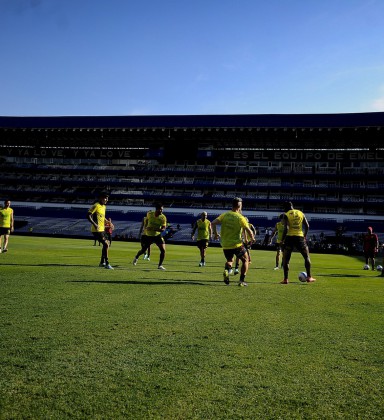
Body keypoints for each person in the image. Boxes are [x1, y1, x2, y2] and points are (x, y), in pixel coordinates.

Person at [211, 197, 255, 286]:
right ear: (240, 206)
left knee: (230, 260)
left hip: (225, 244)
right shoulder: (240, 217)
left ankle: (227, 270)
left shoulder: (225, 215)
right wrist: (253, 238)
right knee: (246, 260)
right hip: (237, 244)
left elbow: (213, 223)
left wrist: (215, 234)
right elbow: (248, 230)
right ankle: (241, 281)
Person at [280, 201, 315, 284]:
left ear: (285, 208)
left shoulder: (286, 215)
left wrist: (282, 240)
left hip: (289, 238)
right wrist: (304, 236)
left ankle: (285, 279)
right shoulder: (300, 213)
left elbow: (286, 228)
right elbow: (307, 226)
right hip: (300, 237)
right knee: (306, 257)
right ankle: (309, 277)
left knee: (286, 259)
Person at [133, 203, 167, 270]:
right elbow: (146, 220)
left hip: (157, 235)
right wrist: (145, 227)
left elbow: (163, 229)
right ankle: (136, 257)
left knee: (163, 250)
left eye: (162, 210)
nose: (162, 211)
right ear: (157, 209)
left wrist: (154, 229)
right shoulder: (149, 214)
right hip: (148, 236)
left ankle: (160, 265)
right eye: (160, 209)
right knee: (143, 250)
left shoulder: (163, 217)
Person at [87, 192, 113, 269]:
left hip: (102, 230)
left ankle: (102, 262)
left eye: (107, 198)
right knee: (106, 244)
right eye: (105, 198)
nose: (107, 200)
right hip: (96, 230)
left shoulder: (104, 207)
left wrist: (108, 222)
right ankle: (107, 263)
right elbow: (88, 215)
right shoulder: (96, 205)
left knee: (106, 244)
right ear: (101, 198)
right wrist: (95, 224)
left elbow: (102, 217)